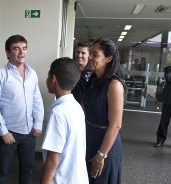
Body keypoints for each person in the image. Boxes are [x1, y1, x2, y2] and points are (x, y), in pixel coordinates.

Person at [0, 34, 44, 184]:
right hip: (9, 132)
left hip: (29, 132)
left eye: (24, 48)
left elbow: (37, 100)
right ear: (7, 52)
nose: (21, 52)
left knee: (28, 168)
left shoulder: (32, 74)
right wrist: (3, 131)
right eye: (16, 49)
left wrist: (38, 123)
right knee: (2, 171)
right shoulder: (0, 75)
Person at [82, 38, 125, 184]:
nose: (89, 57)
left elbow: (115, 125)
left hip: (106, 144)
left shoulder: (114, 85)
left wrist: (101, 156)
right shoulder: (93, 79)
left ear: (108, 58)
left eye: (95, 54)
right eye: (90, 53)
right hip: (89, 136)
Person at [40, 57, 89, 184]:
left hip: (62, 179)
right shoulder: (76, 107)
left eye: (48, 75)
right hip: (78, 177)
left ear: (53, 79)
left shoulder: (58, 113)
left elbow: (52, 160)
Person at [154, 66, 171, 147]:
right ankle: (160, 140)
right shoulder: (169, 69)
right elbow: (169, 78)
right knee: (164, 122)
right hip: (168, 101)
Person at [71, 41, 92, 105]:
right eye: (78, 52)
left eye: (83, 53)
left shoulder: (94, 72)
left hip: (88, 109)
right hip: (72, 107)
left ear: (89, 55)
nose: (79, 55)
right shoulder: (70, 70)